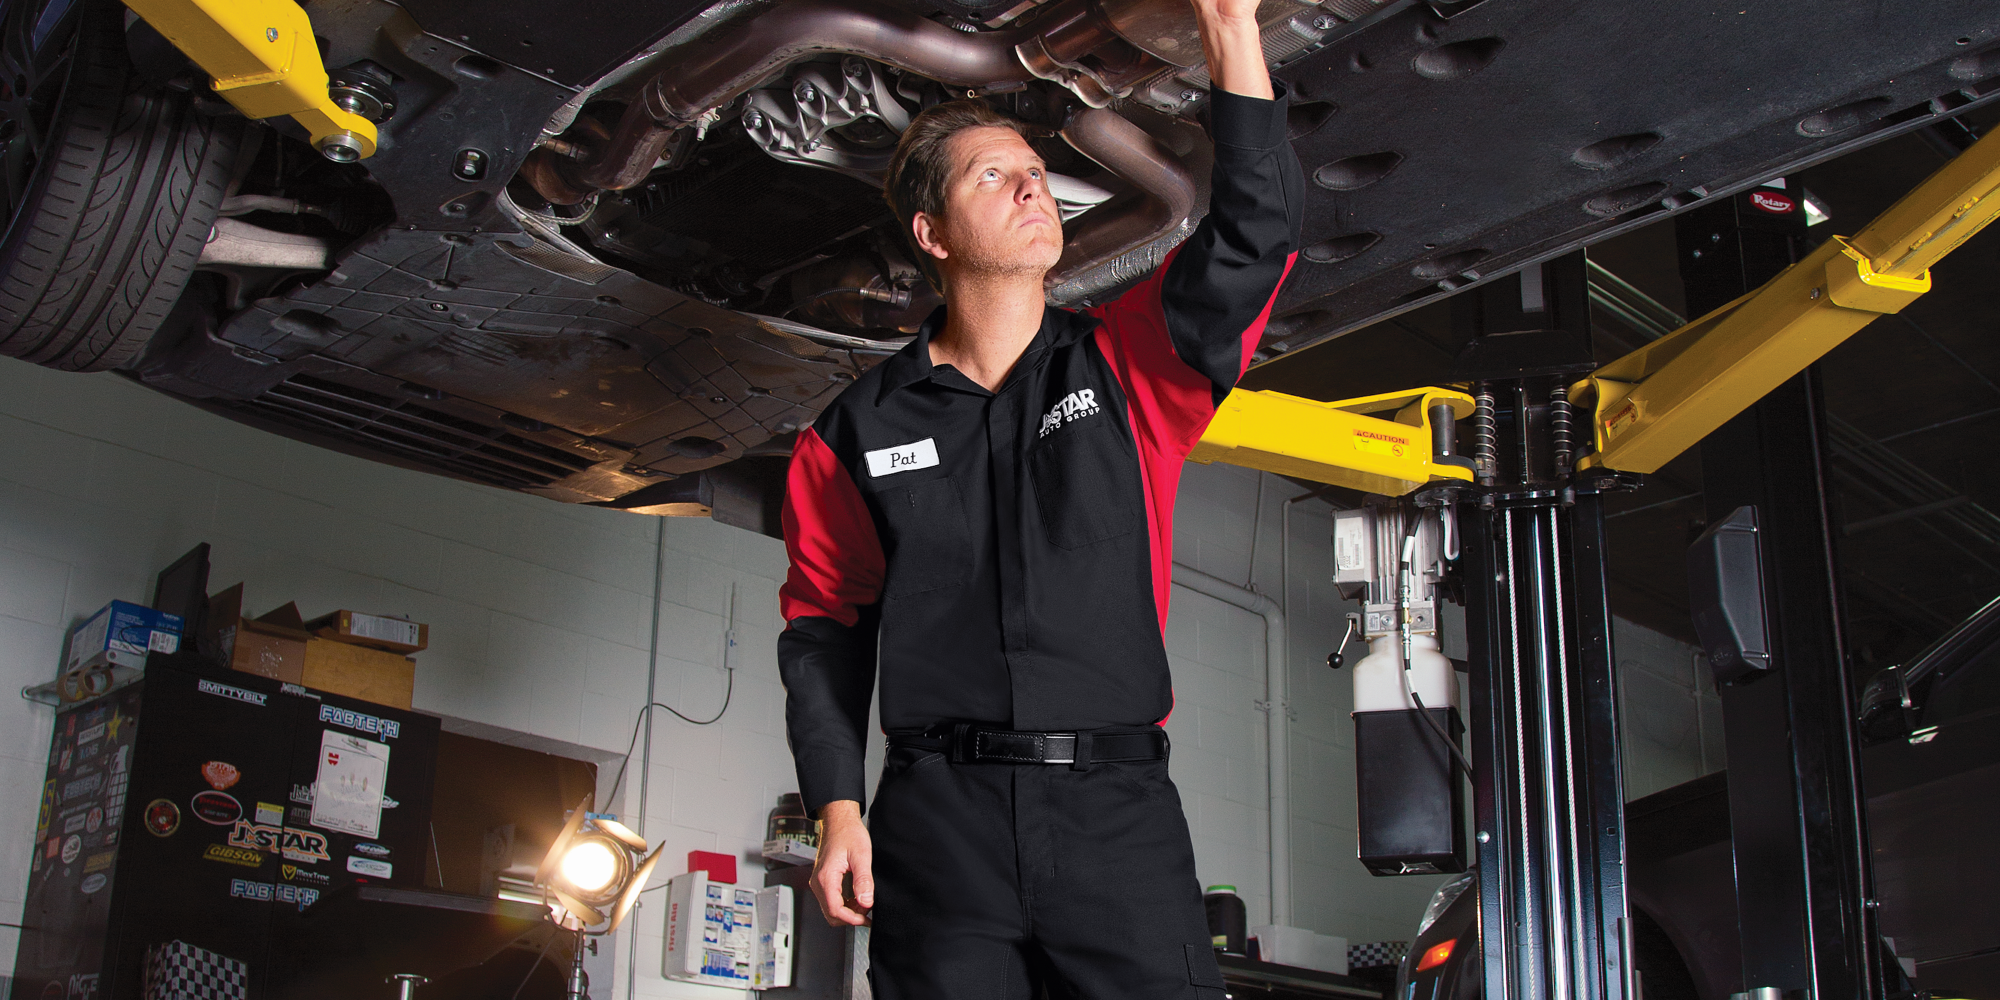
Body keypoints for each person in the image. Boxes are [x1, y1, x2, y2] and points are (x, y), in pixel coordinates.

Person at [775, 0, 1303, 990]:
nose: (1032, 188)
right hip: (935, 829)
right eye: (993, 175)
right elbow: (823, 626)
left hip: (1113, 815)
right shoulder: (852, 433)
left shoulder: (1132, 369)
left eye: (1032, 171)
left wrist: (1232, 32)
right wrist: (835, 804)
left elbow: (1254, 235)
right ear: (930, 234)